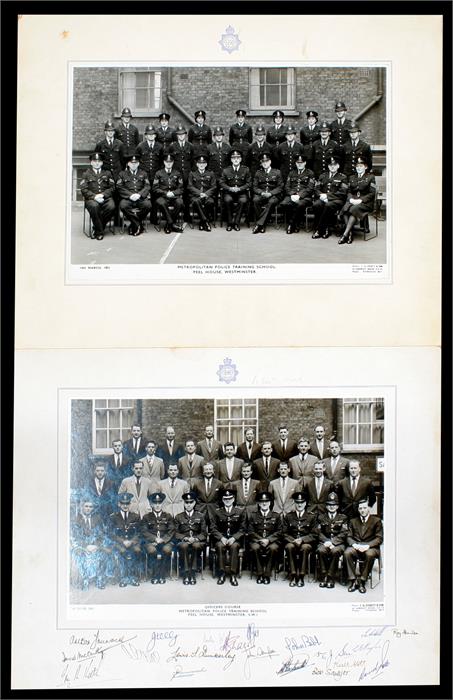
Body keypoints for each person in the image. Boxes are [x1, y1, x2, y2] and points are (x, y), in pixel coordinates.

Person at [344, 499, 383, 593]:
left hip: (371, 548)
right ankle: (353, 580)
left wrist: (368, 546)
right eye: (360, 508)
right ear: (358, 509)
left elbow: (379, 538)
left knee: (369, 554)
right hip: (356, 546)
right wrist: (355, 545)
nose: (362, 510)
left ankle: (362, 580)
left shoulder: (376, 521)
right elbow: (349, 536)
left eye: (364, 508)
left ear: (368, 508)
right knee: (347, 552)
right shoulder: (353, 521)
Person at [209, 488, 245, 586]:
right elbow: (213, 528)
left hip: (234, 539)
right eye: (225, 499)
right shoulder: (217, 512)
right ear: (222, 500)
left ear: (233, 499)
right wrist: (221, 538)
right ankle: (222, 573)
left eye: (229, 498)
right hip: (222, 538)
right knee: (220, 546)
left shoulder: (240, 511)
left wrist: (234, 538)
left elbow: (243, 529)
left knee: (234, 547)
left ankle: (233, 574)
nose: (227, 501)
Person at [71, 497, 107, 590]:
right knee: (80, 554)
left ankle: (100, 579)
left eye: (90, 507)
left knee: (104, 552)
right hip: (81, 545)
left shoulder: (97, 518)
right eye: (86, 506)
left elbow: (101, 534)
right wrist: (86, 546)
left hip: (94, 545)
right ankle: (85, 579)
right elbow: (75, 536)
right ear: (82, 507)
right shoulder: (76, 519)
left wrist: (96, 545)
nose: (88, 508)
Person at [338, 157, 376, 245]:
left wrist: (361, 200)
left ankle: (345, 235)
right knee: (345, 208)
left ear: (365, 167)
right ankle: (350, 234)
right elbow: (348, 191)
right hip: (353, 200)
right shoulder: (351, 177)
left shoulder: (370, 177)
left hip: (366, 203)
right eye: (357, 166)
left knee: (353, 209)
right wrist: (350, 198)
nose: (359, 168)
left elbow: (372, 193)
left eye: (361, 166)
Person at [282, 492, 317, 587]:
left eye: (302, 502)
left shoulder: (311, 516)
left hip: (306, 543)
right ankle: (293, 575)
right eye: (297, 502)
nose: (300, 504)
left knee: (305, 548)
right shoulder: (289, 516)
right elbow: (284, 533)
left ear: (305, 503)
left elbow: (314, 534)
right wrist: (293, 540)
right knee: (289, 547)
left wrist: (302, 540)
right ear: (294, 503)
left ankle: (301, 575)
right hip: (292, 542)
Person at [108, 492, 141, 587]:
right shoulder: (113, 517)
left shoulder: (135, 516)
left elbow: (139, 532)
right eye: (123, 503)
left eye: (127, 503)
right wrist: (122, 541)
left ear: (130, 504)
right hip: (119, 542)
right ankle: (123, 577)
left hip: (132, 542)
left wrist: (131, 541)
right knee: (122, 551)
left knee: (137, 550)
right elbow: (111, 533)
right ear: (119, 504)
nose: (125, 506)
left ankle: (133, 577)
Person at [248, 491, 282, 584]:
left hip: (271, 542)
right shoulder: (253, 515)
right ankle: (259, 574)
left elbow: (279, 531)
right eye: (262, 501)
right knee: (255, 548)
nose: (264, 503)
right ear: (258, 503)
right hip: (257, 541)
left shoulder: (276, 515)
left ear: (270, 503)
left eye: (266, 501)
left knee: (273, 548)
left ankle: (267, 575)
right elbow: (251, 531)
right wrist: (260, 540)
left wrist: (268, 540)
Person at [80, 152, 116, 240]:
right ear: (91, 162)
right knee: (94, 206)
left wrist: (103, 195)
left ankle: (96, 228)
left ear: (102, 163)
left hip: (105, 198)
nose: (97, 163)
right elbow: (83, 189)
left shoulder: (107, 173)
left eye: (99, 161)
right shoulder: (86, 174)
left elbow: (112, 187)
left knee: (112, 207)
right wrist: (94, 196)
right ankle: (99, 232)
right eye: (95, 161)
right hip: (91, 199)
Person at [316, 492, 348, 588]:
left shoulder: (343, 518)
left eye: (334, 505)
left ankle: (330, 577)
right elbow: (318, 532)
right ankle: (324, 575)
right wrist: (326, 541)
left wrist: (333, 542)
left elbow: (344, 533)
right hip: (324, 542)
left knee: (335, 551)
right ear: (326, 506)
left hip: (338, 544)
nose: (331, 507)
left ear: (337, 506)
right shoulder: (321, 517)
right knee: (321, 550)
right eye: (329, 505)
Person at [141, 492, 175, 584]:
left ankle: (162, 574)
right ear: (151, 504)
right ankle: (155, 575)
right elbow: (144, 531)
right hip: (151, 542)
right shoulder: (146, 517)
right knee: (152, 551)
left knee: (167, 550)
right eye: (155, 503)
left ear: (162, 504)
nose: (157, 505)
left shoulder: (168, 516)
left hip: (165, 541)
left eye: (159, 503)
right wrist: (154, 539)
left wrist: (163, 540)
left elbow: (171, 530)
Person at [174, 491, 207, 585]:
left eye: (190, 502)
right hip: (183, 541)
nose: (188, 505)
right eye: (186, 502)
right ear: (183, 503)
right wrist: (185, 538)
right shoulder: (178, 516)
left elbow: (204, 533)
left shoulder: (200, 516)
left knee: (196, 546)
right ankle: (185, 573)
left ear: (194, 503)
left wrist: (196, 538)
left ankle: (192, 572)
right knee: (184, 546)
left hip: (196, 541)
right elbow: (175, 533)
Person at [312, 156, 348, 239]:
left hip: (337, 200)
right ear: (328, 166)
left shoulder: (343, 177)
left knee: (328, 205)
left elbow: (342, 192)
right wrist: (321, 195)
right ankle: (325, 228)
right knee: (316, 205)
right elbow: (316, 188)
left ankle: (321, 229)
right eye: (330, 165)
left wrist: (328, 196)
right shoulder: (322, 176)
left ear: (338, 166)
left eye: (335, 165)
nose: (332, 166)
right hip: (323, 198)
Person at [117, 154, 151, 236]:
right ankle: (138, 225)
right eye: (132, 163)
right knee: (123, 206)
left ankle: (133, 224)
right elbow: (119, 187)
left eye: (135, 163)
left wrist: (139, 195)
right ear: (128, 164)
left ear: (138, 164)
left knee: (148, 205)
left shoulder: (143, 173)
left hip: (140, 198)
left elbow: (147, 186)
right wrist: (130, 195)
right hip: (128, 198)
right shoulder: (122, 174)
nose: (133, 165)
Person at [281, 153, 316, 235]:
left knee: (300, 205)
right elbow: (287, 186)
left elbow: (310, 188)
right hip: (292, 195)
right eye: (298, 163)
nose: (300, 164)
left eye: (302, 163)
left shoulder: (310, 173)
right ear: (296, 163)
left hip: (305, 197)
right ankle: (296, 224)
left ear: (305, 163)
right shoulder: (291, 173)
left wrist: (299, 196)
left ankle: (291, 224)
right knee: (284, 203)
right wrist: (292, 194)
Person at [220, 149, 252, 231]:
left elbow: (249, 183)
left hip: (241, 192)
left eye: (238, 158)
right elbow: (222, 183)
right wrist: (230, 188)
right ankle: (230, 223)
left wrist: (240, 188)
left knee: (243, 201)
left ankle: (236, 223)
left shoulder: (246, 169)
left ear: (241, 159)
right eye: (234, 158)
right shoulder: (226, 170)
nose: (236, 160)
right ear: (231, 160)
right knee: (227, 200)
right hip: (229, 193)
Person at [251, 153, 283, 234]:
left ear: (270, 162)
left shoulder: (277, 172)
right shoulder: (258, 173)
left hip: (274, 195)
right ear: (261, 163)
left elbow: (280, 187)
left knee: (271, 202)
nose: (265, 163)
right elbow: (254, 187)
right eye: (263, 161)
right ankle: (263, 225)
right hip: (262, 194)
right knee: (255, 200)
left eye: (267, 161)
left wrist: (271, 193)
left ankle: (259, 224)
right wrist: (261, 193)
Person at [152, 154, 184, 234]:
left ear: (173, 162)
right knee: (162, 203)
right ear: (164, 162)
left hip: (174, 196)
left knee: (180, 202)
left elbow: (181, 188)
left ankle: (168, 224)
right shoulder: (158, 173)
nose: (168, 163)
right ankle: (171, 223)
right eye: (167, 162)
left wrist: (173, 193)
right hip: (162, 196)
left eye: (170, 162)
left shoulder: (177, 173)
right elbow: (155, 188)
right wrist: (165, 193)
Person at [187, 154, 217, 231]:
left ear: (206, 164)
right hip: (196, 196)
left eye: (203, 163)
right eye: (200, 163)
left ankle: (201, 222)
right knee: (196, 201)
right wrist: (200, 193)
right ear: (197, 164)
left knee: (210, 202)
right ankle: (205, 221)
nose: (201, 165)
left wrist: (206, 194)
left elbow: (214, 187)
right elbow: (190, 186)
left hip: (207, 196)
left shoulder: (211, 173)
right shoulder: (192, 173)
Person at [135, 125, 164, 191]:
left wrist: (159, 173)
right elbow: (136, 160)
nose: (151, 135)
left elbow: (162, 161)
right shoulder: (140, 146)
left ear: (155, 135)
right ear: (146, 136)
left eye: (153, 134)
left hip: (156, 175)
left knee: (156, 192)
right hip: (144, 175)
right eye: (149, 134)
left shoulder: (160, 146)